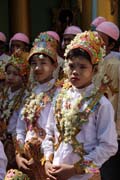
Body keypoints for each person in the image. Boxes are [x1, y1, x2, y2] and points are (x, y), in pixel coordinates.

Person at [42, 31, 118, 180]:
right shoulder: (59, 97)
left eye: (82, 67)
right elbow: (49, 131)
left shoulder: (101, 104)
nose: (75, 71)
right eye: (71, 66)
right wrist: (47, 159)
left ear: (95, 70)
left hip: (84, 176)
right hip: (55, 172)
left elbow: (109, 146)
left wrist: (75, 169)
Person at [15, 32, 60, 180]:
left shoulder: (60, 93)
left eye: (43, 63)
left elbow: (55, 131)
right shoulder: (29, 92)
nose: (37, 68)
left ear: (55, 65)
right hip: (27, 159)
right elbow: (20, 126)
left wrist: (47, 157)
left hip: (50, 159)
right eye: (34, 63)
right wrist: (18, 154)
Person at [96, 21, 120, 180]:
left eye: (101, 39)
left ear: (111, 45)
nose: (96, 42)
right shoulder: (93, 60)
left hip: (110, 126)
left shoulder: (115, 64)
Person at [0, 50, 30, 170]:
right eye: (8, 73)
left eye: (15, 74)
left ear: (24, 76)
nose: (10, 77)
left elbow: (20, 125)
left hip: (14, 142)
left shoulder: (25, 96)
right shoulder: (4, 92)